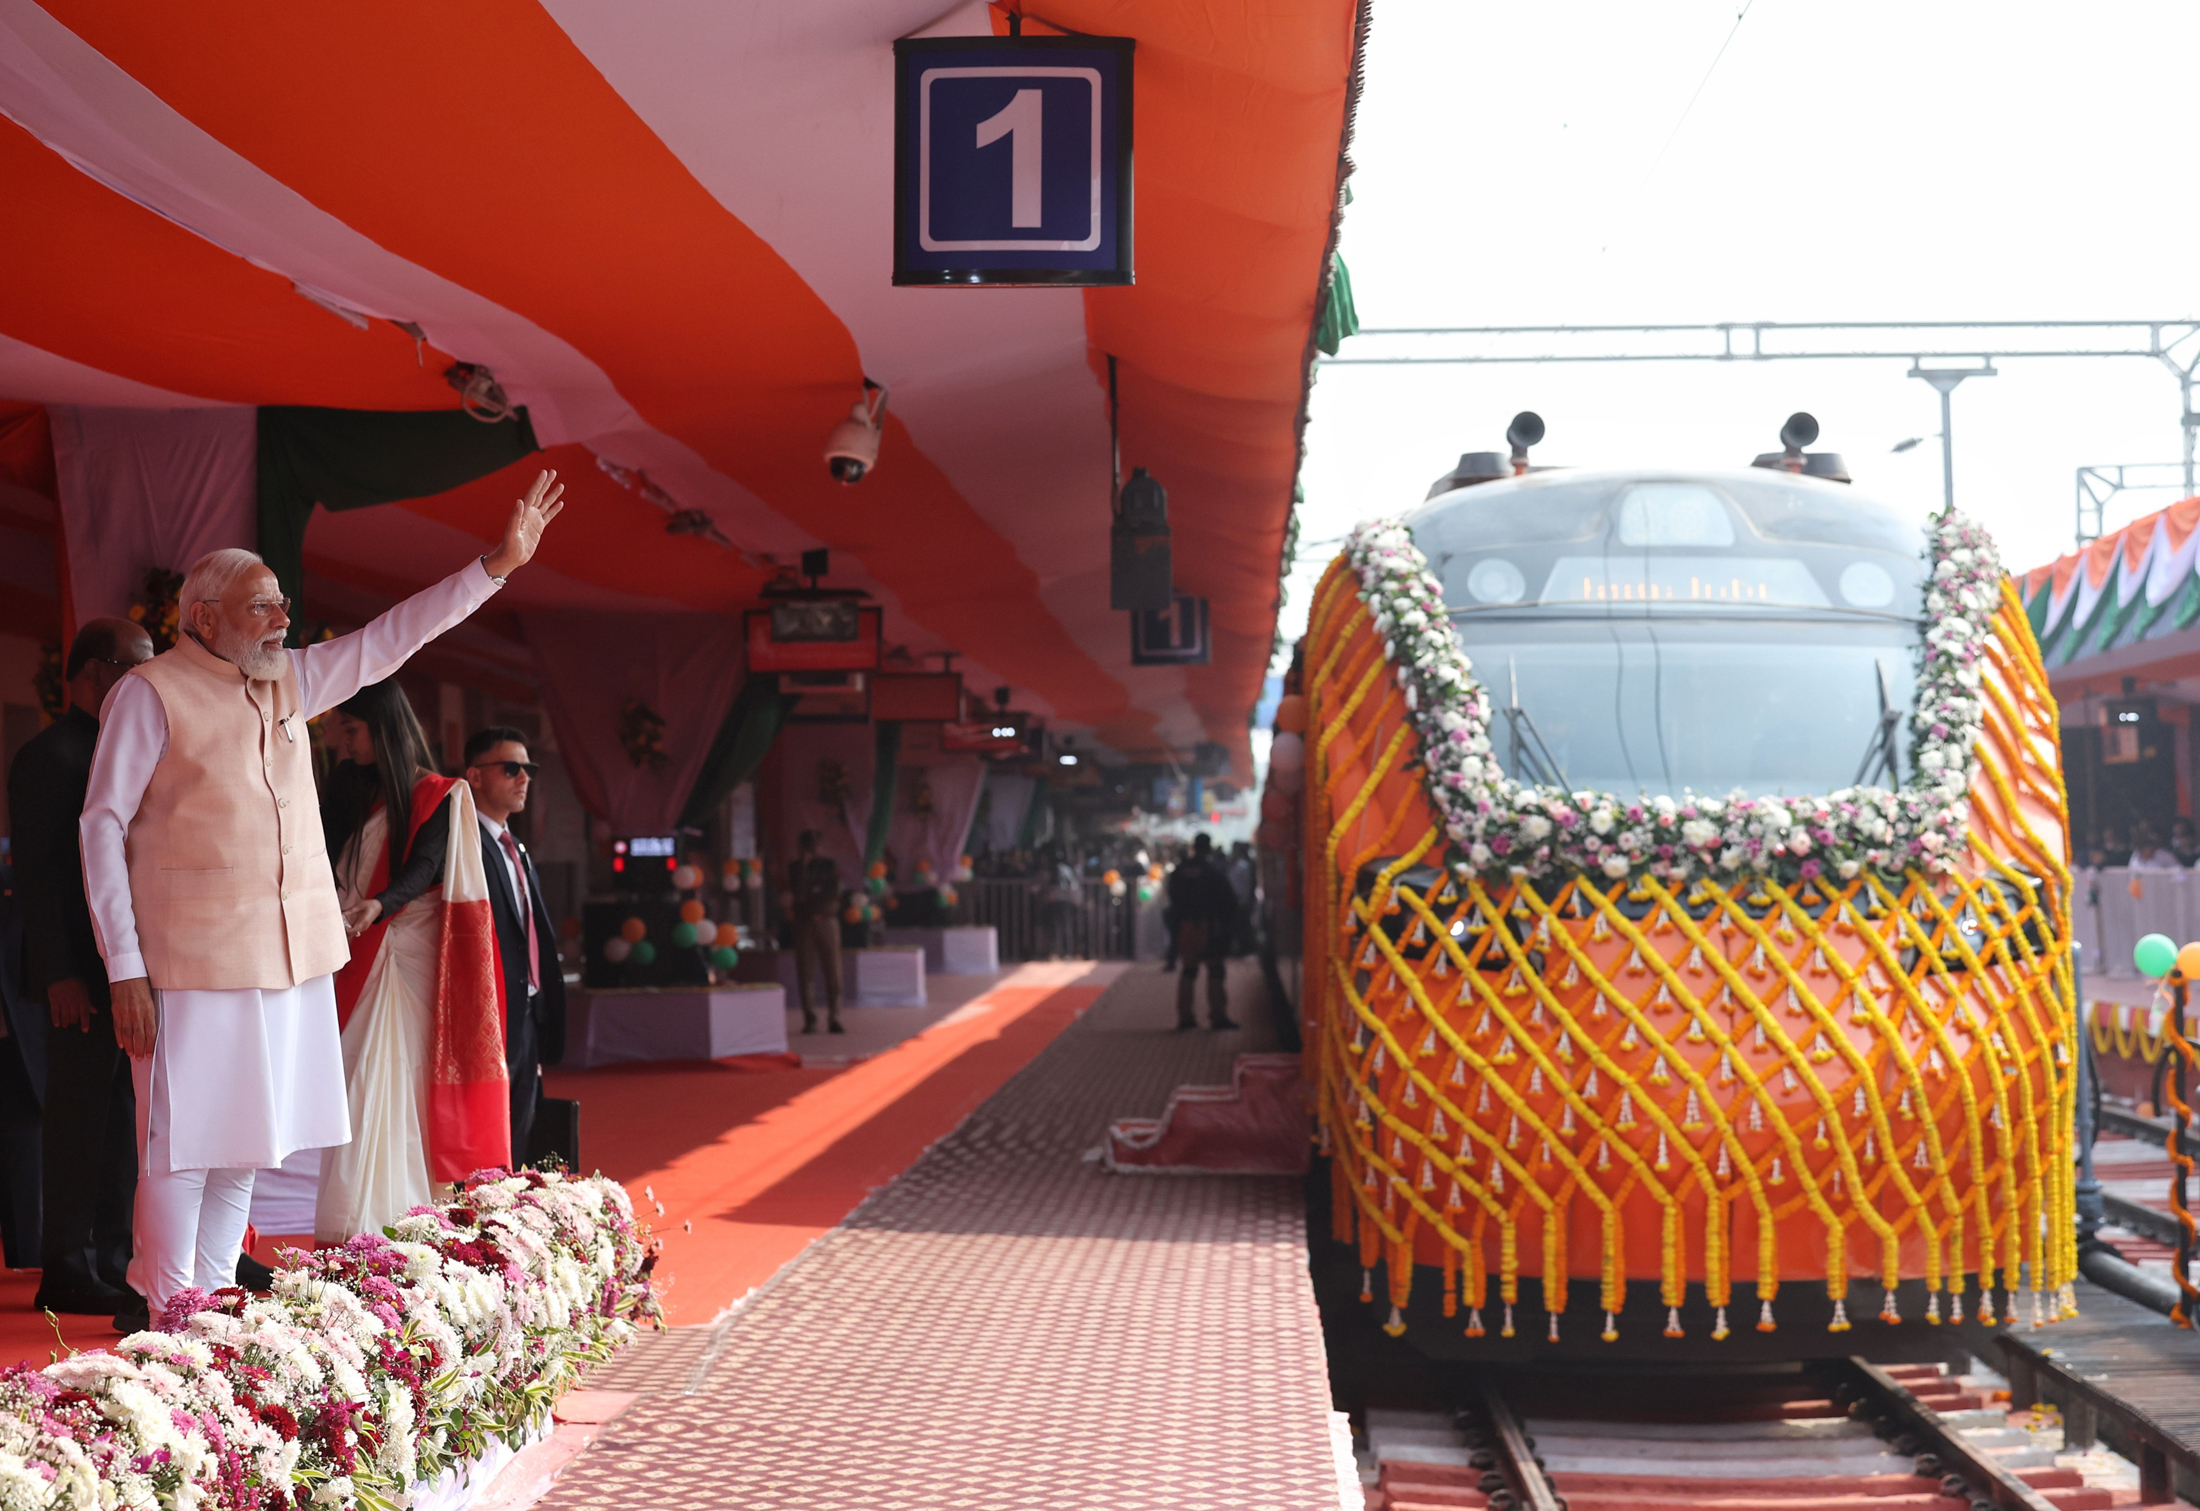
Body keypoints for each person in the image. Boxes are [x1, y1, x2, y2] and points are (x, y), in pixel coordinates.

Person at [81, 468, 566, 1330]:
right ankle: (167, 1318)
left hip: (290, 955)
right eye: (260, 605)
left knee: (246, 1149)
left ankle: (213, 1315)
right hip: (187, 960)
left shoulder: (287, 681)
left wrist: (494, 566)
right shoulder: (150, 693)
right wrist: (123, 966)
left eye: (281, 603)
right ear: (202, 617)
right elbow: (101, 828)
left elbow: (392, 639)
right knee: (180, 1148)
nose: (282, 618)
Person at [313, 682, 504, 1241]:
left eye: (352, 730)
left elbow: (426, 866)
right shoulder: (349, 787)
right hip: (352, 951)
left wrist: (380, 904)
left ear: (384, 726)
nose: (345, 743)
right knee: (358, 1085)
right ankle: (353, 1226)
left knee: (404, 1083)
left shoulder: (440, 795)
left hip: (403, 955)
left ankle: (412, 1224)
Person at [7, 618, 148, 1313]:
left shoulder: (119, 749)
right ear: (94, 670)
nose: (145, 681)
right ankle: (66, 1264)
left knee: (121, 1122)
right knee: (77, 1121)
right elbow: (37, 876)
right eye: (134, 666)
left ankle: (112, 1256)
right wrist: (60, 971)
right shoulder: (50, 754)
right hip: (77, 973)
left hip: (125, 968)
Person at [464, 727, 568, 1166]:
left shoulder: (516, 848)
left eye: (528, 769)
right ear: (475, 776)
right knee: (487, 1129)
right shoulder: (466, 844)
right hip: (489, 1011)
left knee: (520, 1130)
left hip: (526, 1011)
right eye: (511, 768)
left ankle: (511, 1220)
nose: (523, 778)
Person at [1167, 833, 1240, 1031]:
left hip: (1186, 926)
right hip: (1209, 927)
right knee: (1215, 970)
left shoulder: (1180, 870)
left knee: (1188, 970)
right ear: (1208, 848)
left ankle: (1185, 1017)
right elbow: (1228, 900)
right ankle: (1218, 1015)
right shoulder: (1213, 871)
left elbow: (1172, 896)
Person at [787, 831, 843, 1034]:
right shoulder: (795, 867)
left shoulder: (829, 865)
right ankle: (810, 1018)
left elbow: (834, 891)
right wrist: (804, 866)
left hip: (827, 920)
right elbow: (799, 895)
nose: (813, 849)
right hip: (804, 923)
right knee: (805, 971)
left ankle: (835, 1016)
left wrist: (817, 895)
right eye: (808, 845)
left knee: (833, 970)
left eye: (815, 845)